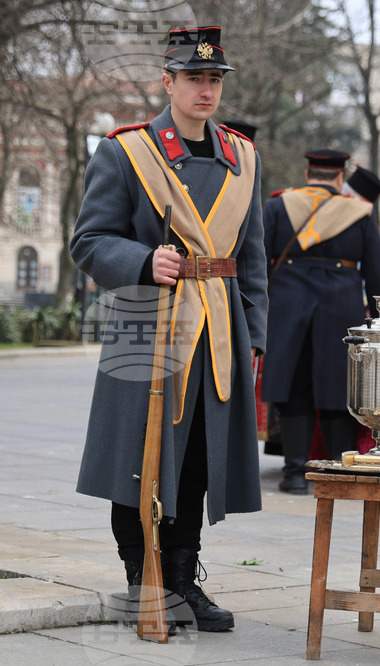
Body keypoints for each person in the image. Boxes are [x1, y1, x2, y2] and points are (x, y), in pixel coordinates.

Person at [71, 26, 267, 633]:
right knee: (138, 455)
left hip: (219, 328)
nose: (205, 90)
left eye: (214, 79)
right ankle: (142, 580)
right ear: (168, 81)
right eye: (193, 78)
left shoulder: (243, 158)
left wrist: (254, 335)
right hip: (146, 321)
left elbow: (253, 257)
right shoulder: (125, 152)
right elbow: (89, 241)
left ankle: (183, 579)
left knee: (199, 457)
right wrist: (139, 260)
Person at [261, 152, 380, 494]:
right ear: (339, 177)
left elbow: (258, 262)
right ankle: (339, 471)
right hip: (340, 308)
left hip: (287, 307)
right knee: (338, 387)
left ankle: (293, 475)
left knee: (293, 387)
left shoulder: (277, 206)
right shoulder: (360, 213)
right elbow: (376, 272)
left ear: (307, 173)